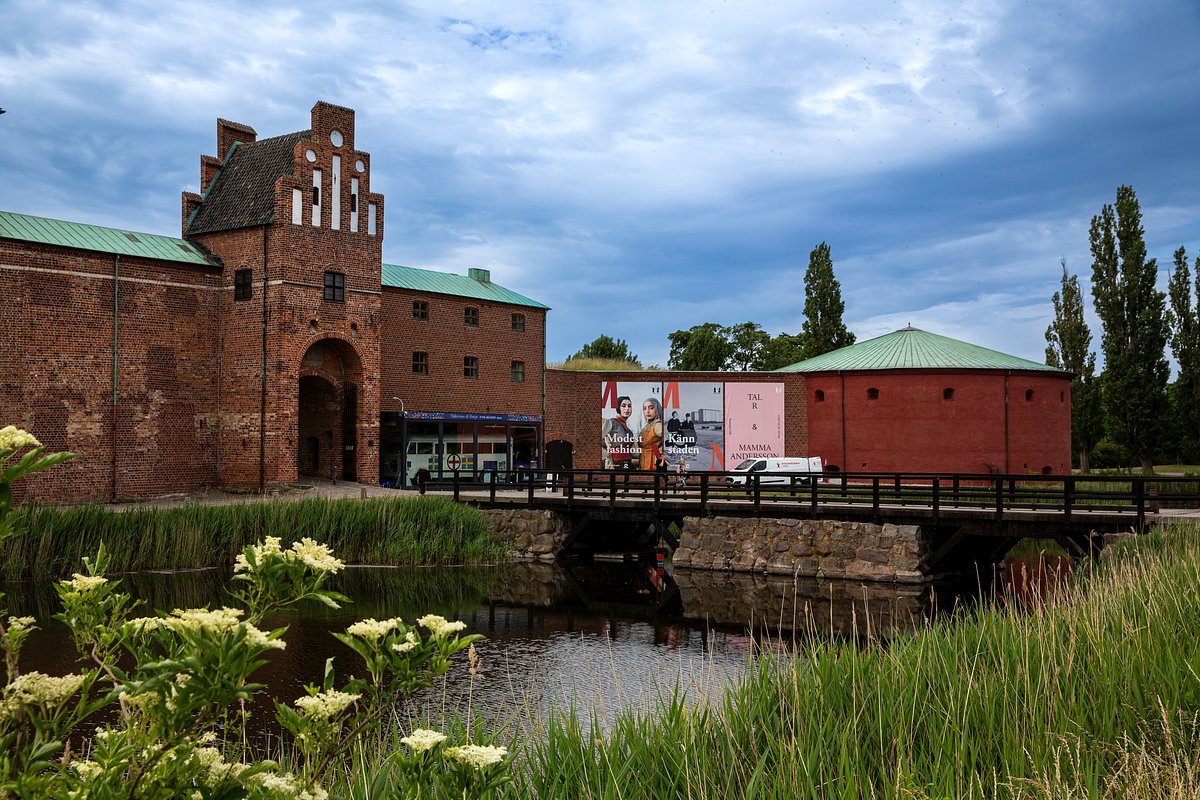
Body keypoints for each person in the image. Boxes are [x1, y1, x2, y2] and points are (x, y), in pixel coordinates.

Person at [602, 396, 637, 471]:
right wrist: (608, 453)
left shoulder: (629, 430)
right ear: (618, 408)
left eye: (629, 406)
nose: (627, 408)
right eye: (623, 406)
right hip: (617, 462)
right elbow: (600, 438)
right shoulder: (612, 422)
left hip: (627, 461)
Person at [638, 397, 664, 472]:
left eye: (651, 408)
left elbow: (667, 440)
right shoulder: (647, 426)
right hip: (644, 461)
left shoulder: (657, 425)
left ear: (657, 409)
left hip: (653, 463)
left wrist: (659, 454)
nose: (647, 411)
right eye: (644, 408)